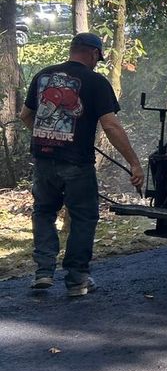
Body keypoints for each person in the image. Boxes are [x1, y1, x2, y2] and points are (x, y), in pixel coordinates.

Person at [20, 32, 144, 297]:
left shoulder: (43, 76)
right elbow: (110, 125)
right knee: (83, 217)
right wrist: (134, 163)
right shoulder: (96, 81)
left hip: (43, 159)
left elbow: (26, 115)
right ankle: (77, 280)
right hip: (77, 163)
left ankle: (43, 272)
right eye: (99, 57)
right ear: (93, 53)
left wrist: (46, 136)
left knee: (43, 211)